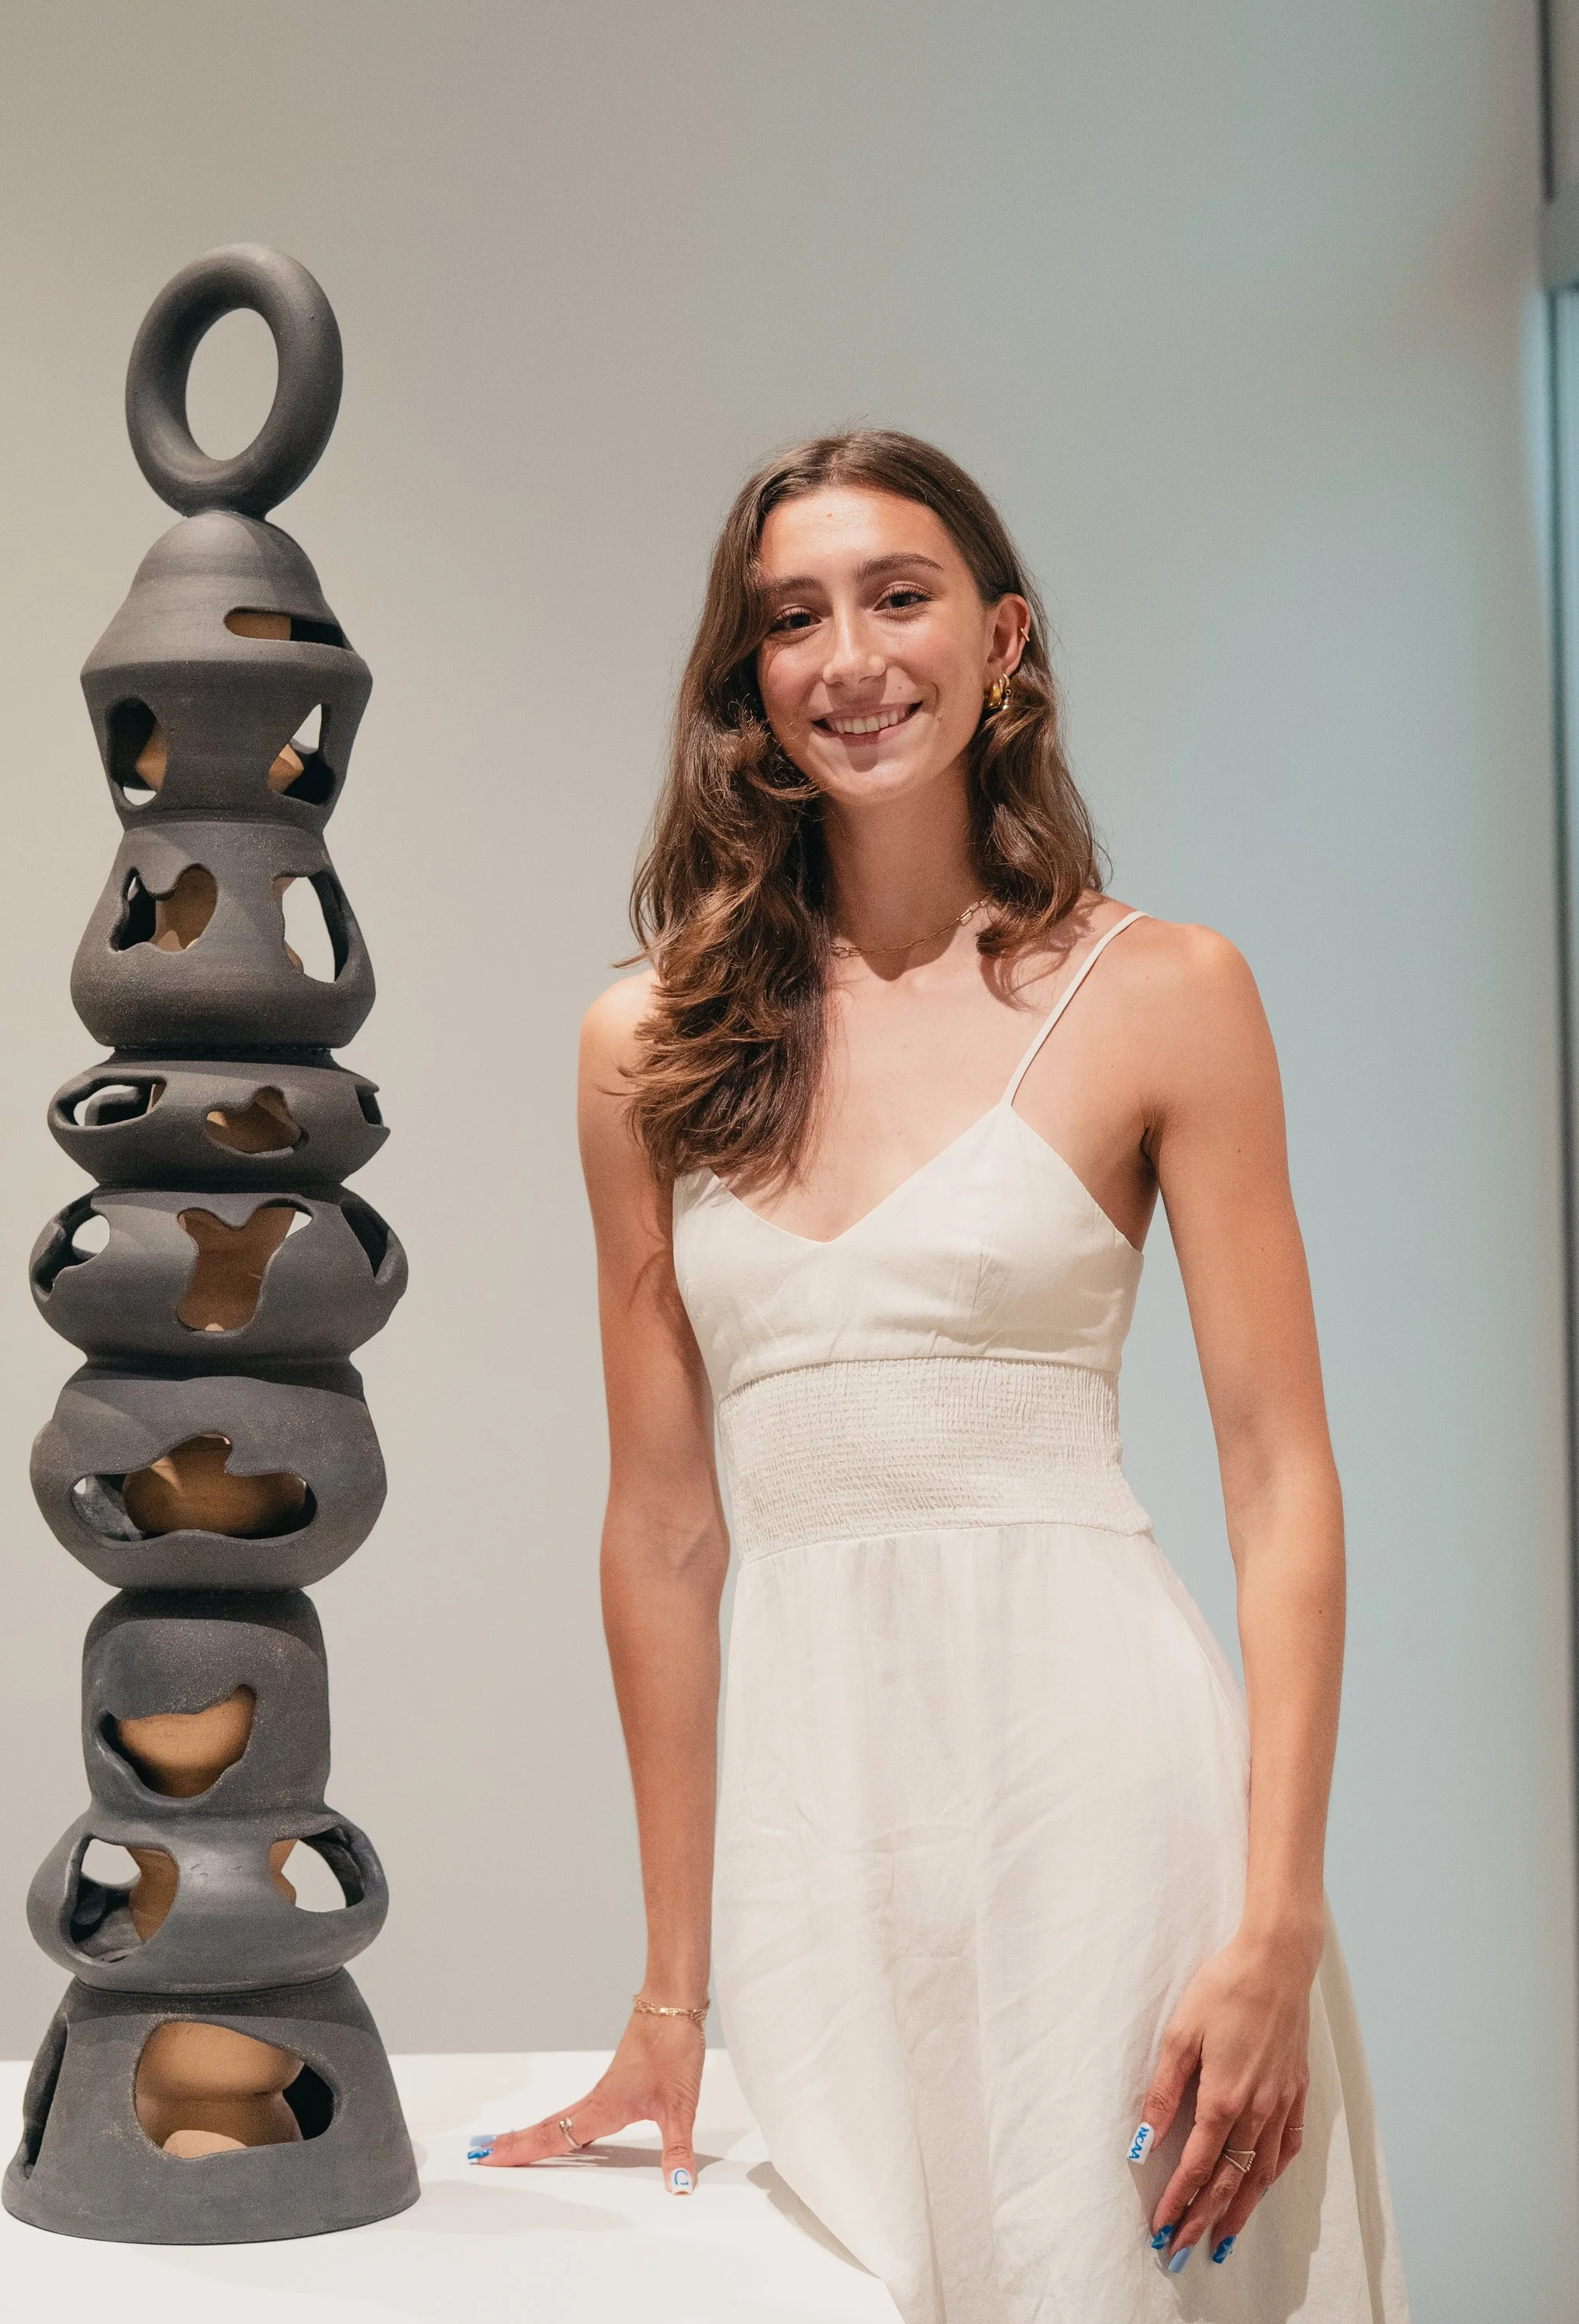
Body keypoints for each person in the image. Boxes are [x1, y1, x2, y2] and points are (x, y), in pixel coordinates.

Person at [472, 431, 1406, 2319]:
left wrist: (1273, 1925)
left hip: (1109, 1808)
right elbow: (662, 1529)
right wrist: (672, 1997)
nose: (848, 657)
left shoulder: (1166, 993)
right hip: (821, 1843)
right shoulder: (641, 1045)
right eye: (790, 618)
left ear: (1001, 646)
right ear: (747, 684)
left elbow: (1275, 1477)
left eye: (897, 598)